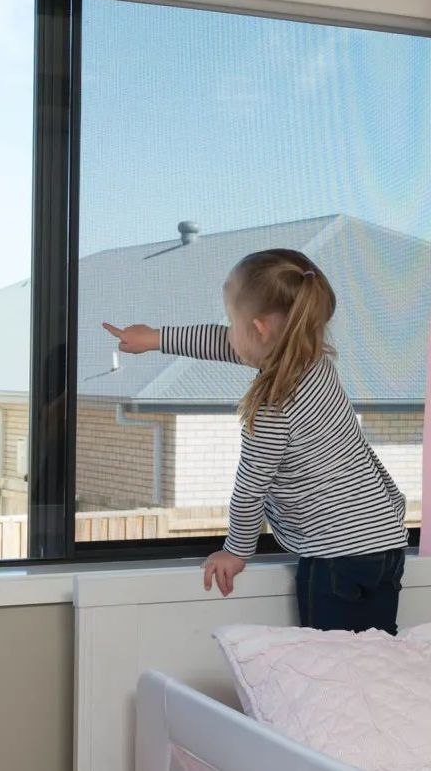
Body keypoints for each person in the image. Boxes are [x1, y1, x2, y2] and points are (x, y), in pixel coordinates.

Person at [103, 247, 409, 633]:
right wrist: (157, 338)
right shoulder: (317, 363)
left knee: (332, 666)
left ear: (260, 329)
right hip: (384, 540)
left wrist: (236, 551)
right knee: (377, 657)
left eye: (231, 321)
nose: (227, 332)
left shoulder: (273, 407)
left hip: (335, 558)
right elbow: (231, 343)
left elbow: (250, 488)